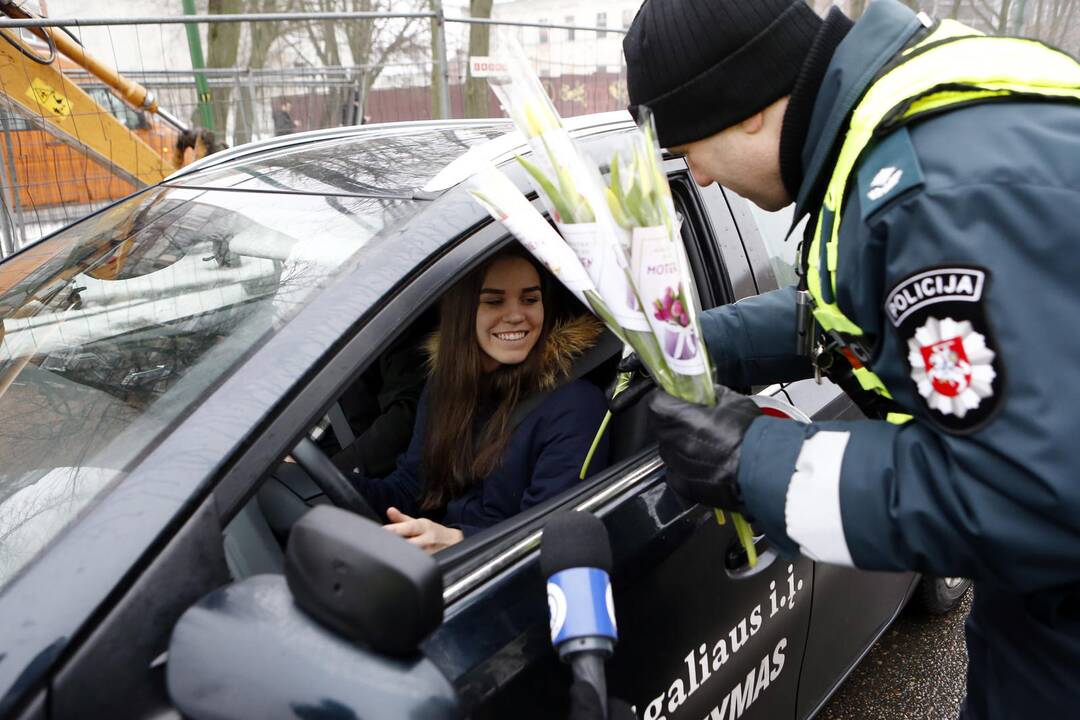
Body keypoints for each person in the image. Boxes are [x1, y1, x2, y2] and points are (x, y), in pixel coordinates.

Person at [622, 0, 1080, 717]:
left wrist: (752, 460)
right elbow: (865, 309)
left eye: (687, 151)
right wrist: (710, 341)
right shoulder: (908, 128)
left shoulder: (935, 192)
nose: (700, 181)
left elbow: (1021, 494)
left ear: (745, 107)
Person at [356, 246, 611, 553]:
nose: (517, 315)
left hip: (500, 575)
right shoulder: (445, 387)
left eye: (530, 299)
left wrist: (458, 540)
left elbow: (552, 532)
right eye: (494, 301)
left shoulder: (576, 406)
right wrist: (323, 483)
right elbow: (411, 486)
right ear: (462, 313)